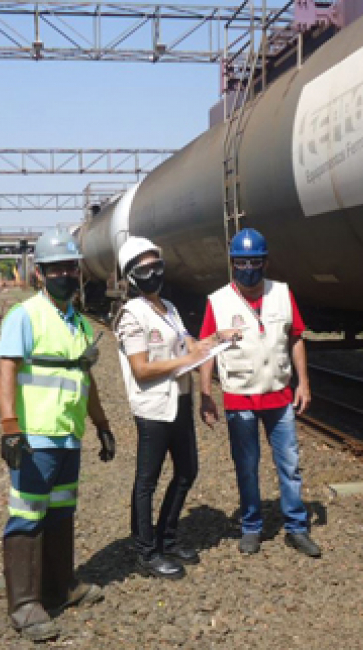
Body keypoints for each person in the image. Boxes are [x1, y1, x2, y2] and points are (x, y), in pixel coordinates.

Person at [0, 227, 118, 642]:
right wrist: (10, 427)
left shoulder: (80, 324)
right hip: (35, 439)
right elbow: (7, 371)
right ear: (40, 273)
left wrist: (101, 424)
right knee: (28, 516)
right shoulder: (24, 316)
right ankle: (25, 604)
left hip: (68, 437)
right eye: (56, 268)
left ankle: (61, 587)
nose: (64, 274)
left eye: (69, 267)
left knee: (62, 512)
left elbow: (87, 381)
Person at [112, 236, 240, 579]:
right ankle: (145, 551)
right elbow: (141, 368)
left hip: (179, 402)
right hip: (153, 408)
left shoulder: (168, 308)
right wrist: (186, 359)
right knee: (146, 481)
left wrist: (217, 339)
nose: (153, 273)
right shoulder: (131, 315)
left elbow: (190, 344)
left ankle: (167, 538)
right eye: (145, 269)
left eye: (157, 266)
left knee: (187, 471)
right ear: (131, 275)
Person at [198, 227, 321, 558]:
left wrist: (304, 382)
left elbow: (296, 337)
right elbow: (207, 348)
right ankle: (251, 526)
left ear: (265, 262)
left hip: (279, 395)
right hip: (240, 397)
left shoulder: (282, 293)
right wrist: (206, 392)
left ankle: (296, 527)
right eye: (241, 262)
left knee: (290, 463)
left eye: (254, 261)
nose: (247, 268)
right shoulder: (218, 301)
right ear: (233, 264)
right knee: (247, 465)